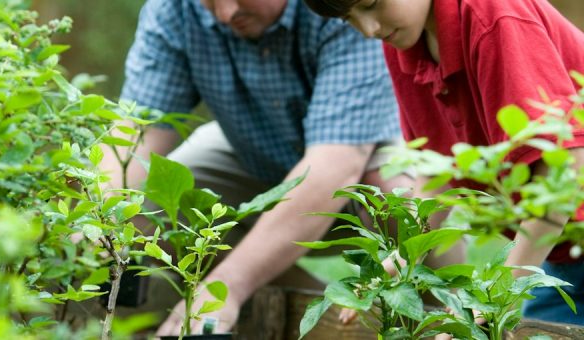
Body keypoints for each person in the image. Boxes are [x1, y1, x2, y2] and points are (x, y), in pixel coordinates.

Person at [101, 0, 416, 335]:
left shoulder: (340, 7)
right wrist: (95, 222)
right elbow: (137, 133)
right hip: (252, 149)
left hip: (364, 149)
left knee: (399, 200)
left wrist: (227, 287)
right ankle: (295, 303)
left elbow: (333, 167)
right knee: (149, 203)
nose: (226, 13)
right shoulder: (174, 9)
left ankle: (450, 307)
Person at [304, 0, 584, 325]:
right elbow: (438, 169)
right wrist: (405, 257)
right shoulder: (405, 42)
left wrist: (498, 291)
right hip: (562, 256)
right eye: (348, 19)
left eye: (371, 4)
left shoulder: (492, 16)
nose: (370, 29)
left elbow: (567, 161)